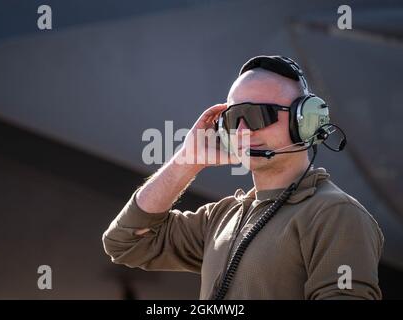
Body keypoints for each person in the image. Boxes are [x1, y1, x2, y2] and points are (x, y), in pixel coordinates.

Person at [102, 55, 384, 300]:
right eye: (234, 117)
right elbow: (125, 243)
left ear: (306, 121)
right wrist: (185, 163)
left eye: (260, 115)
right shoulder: (223, 217)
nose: (244, 130)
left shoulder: (334, 214)